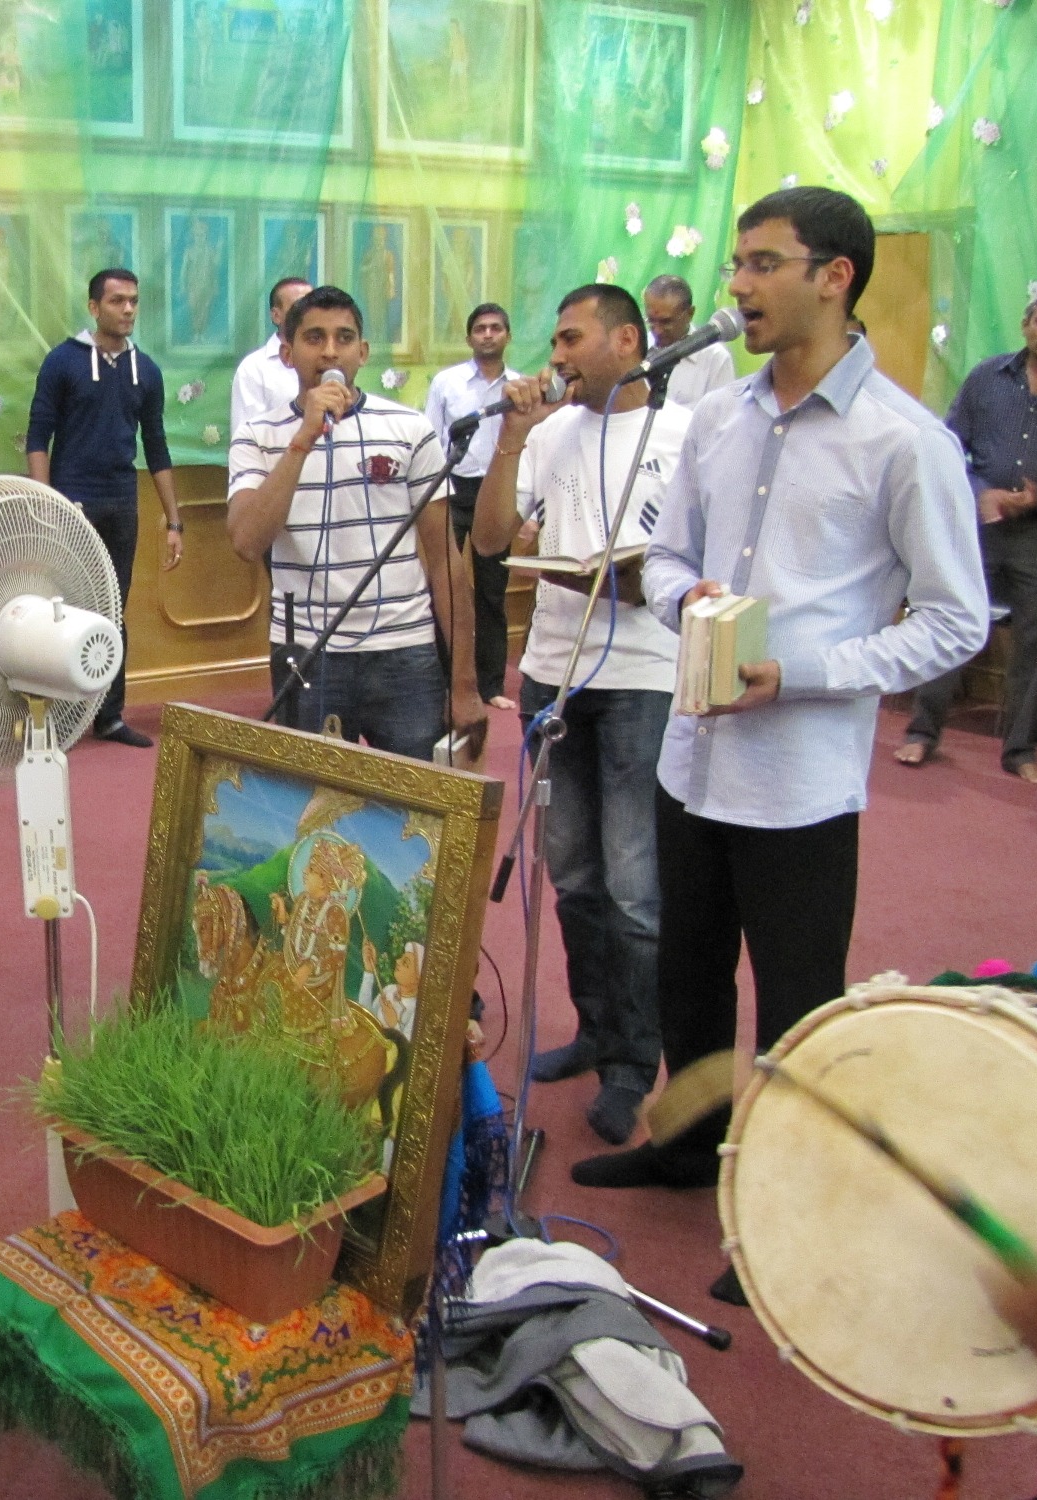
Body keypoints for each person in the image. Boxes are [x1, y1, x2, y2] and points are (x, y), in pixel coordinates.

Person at [575, 190, 987, 1282]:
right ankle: (689, 1147)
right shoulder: (714, 415)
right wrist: (682, 604)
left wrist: (799, 673)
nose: (737, 288)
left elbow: (952, 621)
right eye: (735, 263)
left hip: (797, 782)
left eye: (761, 264)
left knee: (799, 1009)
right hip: (689, 756)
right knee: (689, 980)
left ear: (834, 275)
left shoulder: (906, 441)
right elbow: (660, 559)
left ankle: (797, 1213)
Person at [469, 284, 691, 1146]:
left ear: (628, 340)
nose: (555, 354)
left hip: (644, 674)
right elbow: (490, 539)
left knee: (636, 884)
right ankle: (596, 1029)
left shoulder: (684, 434)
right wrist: (511, 436)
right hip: (553, 675)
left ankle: (637, 1063)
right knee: (573, 876)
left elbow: (687, 562)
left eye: (572, 337)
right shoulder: (549, 431)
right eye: (553, 338)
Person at [226, 284, 484, 761]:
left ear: (362, 352)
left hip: (405, 649)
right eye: (314, 338)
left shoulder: (409, 428)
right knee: (317, 810)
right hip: (307, 652)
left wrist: (465, 683)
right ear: (286, 352)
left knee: (413, 812)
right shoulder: (257, 436)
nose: (330, 350)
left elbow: (446, 562)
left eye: (344, 338)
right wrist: (303, 437)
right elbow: (246, 540)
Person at [898, 284, 1037, 783]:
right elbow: (950, 445)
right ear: (1026, 324)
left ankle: (1019, 751)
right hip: (978, 529)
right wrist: (979, 493)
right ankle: (921, 733)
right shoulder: (986, 376)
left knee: (1033, 645)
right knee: (950, 625)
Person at [26, 268, 183, 747]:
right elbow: (38, 437)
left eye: (134, 301)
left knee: (113, 611)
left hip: (122, 503)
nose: (128, 309)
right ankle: (58, 719)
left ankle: (110, 716)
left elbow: (155, 447)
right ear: (94, 307)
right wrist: (46, 503)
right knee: (65, 611)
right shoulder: (62, 362)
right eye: (117, 301)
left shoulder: (147, 370)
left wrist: (174, 521)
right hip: (71, 502)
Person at [425, 301, 524, 708]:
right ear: (469, 337)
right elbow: (430, 439)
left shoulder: (520, 388)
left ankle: (491, 685)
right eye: (480, 328)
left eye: (496, 327)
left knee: (491, 593)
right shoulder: (447, 384)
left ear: (507, 336)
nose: (488, 334)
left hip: (496, 495)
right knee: (444, 588)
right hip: (452, 491)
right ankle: (443, 679)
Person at [230, 276, 310, 438]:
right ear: (276, 315)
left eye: (312, 306)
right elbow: (246, 440)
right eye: (298, 306)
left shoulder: (328, 360)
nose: (307, 314)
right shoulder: (254, 368)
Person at [644, 274, 737, 409]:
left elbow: (721, 417)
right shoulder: (640, 348)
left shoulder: (715, 358)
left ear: (690, 313)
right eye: (651, 320)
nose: (657, 330)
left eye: (666, 322)